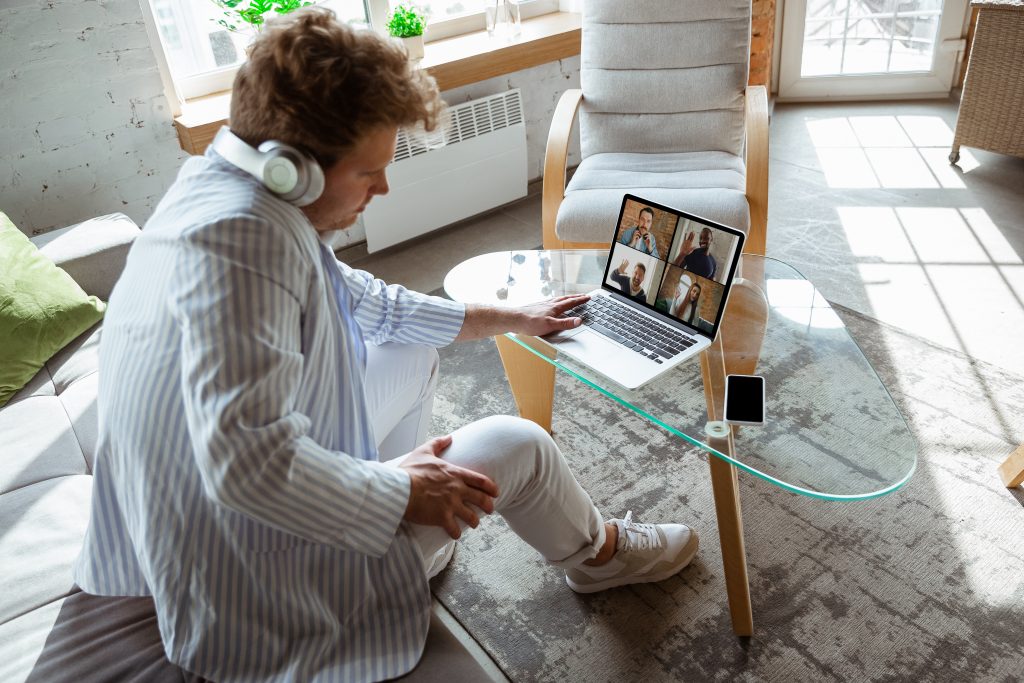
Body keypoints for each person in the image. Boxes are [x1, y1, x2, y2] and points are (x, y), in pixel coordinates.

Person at [72, 9, 698, 683]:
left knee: (408, 350)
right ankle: (599, 556)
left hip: (200, 516)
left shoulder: (225, 187)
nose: (384, 187)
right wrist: (393, 490)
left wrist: (515, 315)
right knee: (523, 447)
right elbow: (246, 464)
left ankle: (409, 537)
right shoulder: (245, 248)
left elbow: (372, 304)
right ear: (297, 171)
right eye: (369, 171)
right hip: (248, 576)